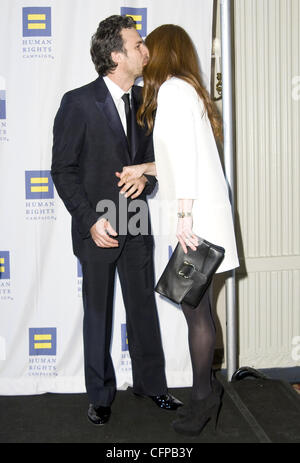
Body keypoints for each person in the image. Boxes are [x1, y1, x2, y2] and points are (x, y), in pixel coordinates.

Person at [51, 16, 182, 427]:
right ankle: (100, 394)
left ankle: (152, 385)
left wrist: (146, 178)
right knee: (98, 312)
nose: (146, 51)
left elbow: (161, 165)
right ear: (115, 56)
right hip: (99, 227)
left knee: (143, 307)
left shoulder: (148, 99)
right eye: (138, 45)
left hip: (137, 220)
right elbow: (63, 169)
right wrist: (89, 220)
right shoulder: (77, 102)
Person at [117, 24, 240, 436]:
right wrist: (145, 168)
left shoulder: (170, 91)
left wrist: (184, 220)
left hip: (195, 220)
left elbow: (184, 161)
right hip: (206, 215)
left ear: (164, 50)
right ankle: (206, 396)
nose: (146, 52)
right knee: (200, 310)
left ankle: (203, 400)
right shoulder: (186, 90)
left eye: (150, 46)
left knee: (195, 314)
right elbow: (179, 157)